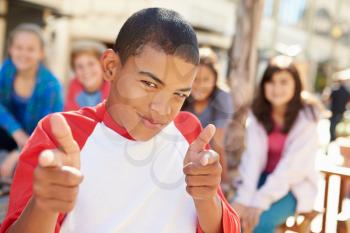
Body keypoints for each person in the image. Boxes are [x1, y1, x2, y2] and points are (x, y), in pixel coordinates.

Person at [1, 8, 240, 233]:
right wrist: (45, 205)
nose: (161, 110)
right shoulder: (63, 134)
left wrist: (207, 197)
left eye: (179, 95)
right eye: (149, 84)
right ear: (111, 67)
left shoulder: (190, 134)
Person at [232, 56, 319, 233]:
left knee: (258, 223)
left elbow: (292, 169)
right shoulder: (258, 113)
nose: (276, 88)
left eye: (284, 82)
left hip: (293, 186)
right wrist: (244, 199)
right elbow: (252, 159)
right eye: (270, 82)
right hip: (260, 179)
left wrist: (259, 202)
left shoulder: (308, 116)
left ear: (296, 84)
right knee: (231, 216)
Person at [0, 23, 63, 178]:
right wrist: (16, 131)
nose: (23, 53)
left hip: (37, 141)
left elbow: (48, 131)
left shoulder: (51, 85)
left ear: (41, 53)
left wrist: (17, 153)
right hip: (12, 134)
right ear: (11, 49)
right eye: (19, 47)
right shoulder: (7, 69)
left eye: (30, 49)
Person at [182, 47, 233, 183]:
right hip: (181, 155)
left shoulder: (222, 98)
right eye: (195, 79)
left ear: (215, 79)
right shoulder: (182, 95)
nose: (200, 85)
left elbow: (218, 144)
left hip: (209, 159)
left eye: (206, 79)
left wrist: (224, 181)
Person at [64, 40, 110, 111]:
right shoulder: (73, 88)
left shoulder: (113, 91)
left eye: (91, 64)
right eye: (79, 66)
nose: (85, 70)